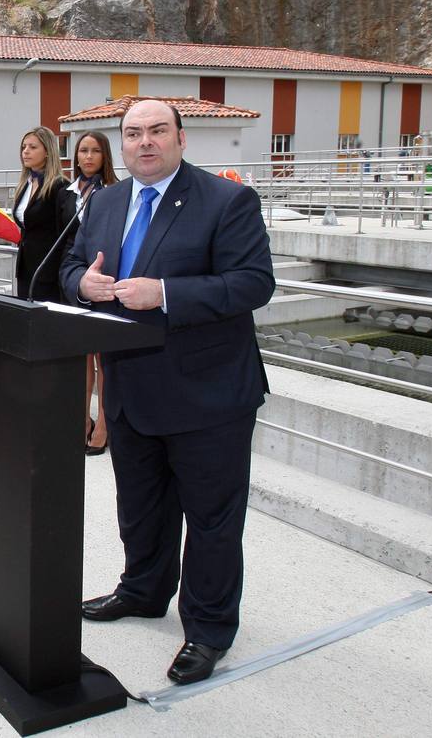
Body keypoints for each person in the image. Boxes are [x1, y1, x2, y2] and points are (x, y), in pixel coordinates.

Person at [60, 98, 275, 686]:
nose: (144, 142)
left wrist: (167, 293)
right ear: (121, 144)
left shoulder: (226, 200)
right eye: (133, 133)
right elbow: (72, 266)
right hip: (131, 386)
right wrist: (85, 282)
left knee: (211, 520)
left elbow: (254, 283)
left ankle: (207, 629)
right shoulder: (102, 201)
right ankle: (144, 590)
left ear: (182, 137)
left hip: (208, 397)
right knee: (141, 506)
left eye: (157, 131)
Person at [66, 131, 119, 456]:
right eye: (82, 151)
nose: (87, 157)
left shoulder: (115, 193)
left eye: (94, 151)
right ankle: (82, 419)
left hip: (106, 281)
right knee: (82, 357)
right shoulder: (66, 192)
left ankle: (104, 423)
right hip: (74, 285)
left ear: (105, 156)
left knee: (105, 358)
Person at [13, 126, 72, 303]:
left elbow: (65, 232)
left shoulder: (59, 186)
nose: (26, 152)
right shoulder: (26, 184)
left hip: (48, 272)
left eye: (33, 147)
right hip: (25, 269)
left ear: (47, 151)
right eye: (24, 147)